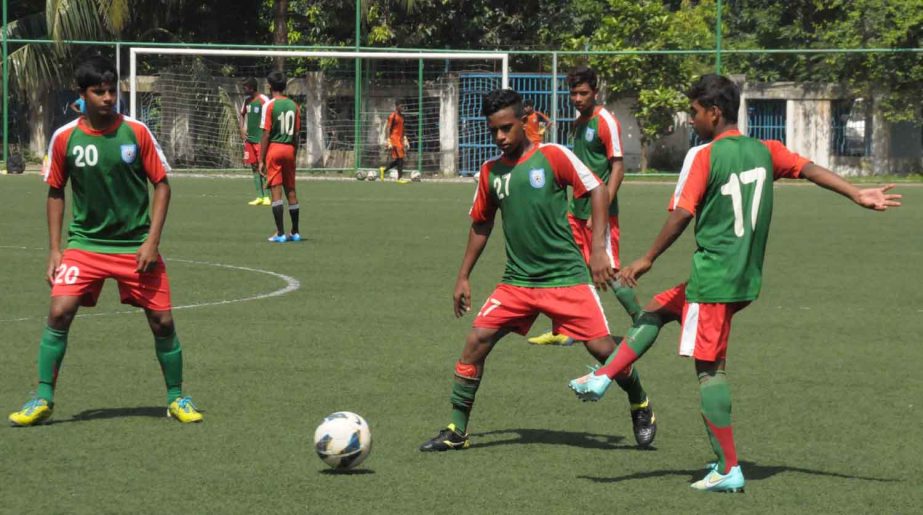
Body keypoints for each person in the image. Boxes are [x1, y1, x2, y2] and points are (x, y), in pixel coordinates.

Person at [568, 74, 902, 492]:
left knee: (709, 371)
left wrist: (648, 257)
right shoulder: (765, 150)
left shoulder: (704, 156)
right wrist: (856, 193)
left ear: (714, 112)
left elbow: (682, 213)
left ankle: (728, 468)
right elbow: (810, 168)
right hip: (744, 276)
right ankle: (604, 378)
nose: (691, 120)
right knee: (657, 310)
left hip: (714, 278)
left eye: (693, 112)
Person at [420, 88, 656, 452]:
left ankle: (639, 402)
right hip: (517, 282)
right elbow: (481, 225)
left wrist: (597, 250)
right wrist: (463, 275)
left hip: (566, 278)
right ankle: (457, 430)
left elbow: (596, 191)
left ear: (525, 121)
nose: (500, 137)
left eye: (506, 128)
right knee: (474, 343)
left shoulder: (553, 156)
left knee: (603, 351)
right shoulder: (490, 173)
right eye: (493, 130)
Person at [8, 56, 203, 426]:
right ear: (81, 95)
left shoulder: (136, 132)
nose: (108, 97)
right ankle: (43, 397)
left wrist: (152, 242)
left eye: (112, 90)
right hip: (85, 246)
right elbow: (55, 191)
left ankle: (177, 397)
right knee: (58, 312)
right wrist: (55, 249)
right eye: (99, 91)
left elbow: (162, 185)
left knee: (162, 322)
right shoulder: (65, 137)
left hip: (135, 246)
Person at [259, 71, 302, 243]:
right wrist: (295, 153)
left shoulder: (269, 106)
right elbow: (297, 134)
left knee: (276, 190)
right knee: (291, 189)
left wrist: (261, 159)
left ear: (270, 86)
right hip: (289, 149)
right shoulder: (294, 106)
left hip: (275, 149)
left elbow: (266, 134)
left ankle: (280, 233)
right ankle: (296, 231)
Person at [240, 77, 270, 206]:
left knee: (264, 166)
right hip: (250, 140)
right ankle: (259, 196)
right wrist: (242, 129)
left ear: (252, 87)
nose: (243, 89)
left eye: (245, 87)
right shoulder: (247, 101)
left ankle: (268, 196)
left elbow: (270, 113)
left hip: (260, 140)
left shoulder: (264, 100)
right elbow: (242, 114)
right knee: (253, 167)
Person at [380, 101, 410, 183]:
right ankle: (399, 178)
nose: (402, 108)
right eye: (401, 106)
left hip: (400, 140)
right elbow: (388, 128)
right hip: (394, 140)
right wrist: (388, 140)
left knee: (400, 159)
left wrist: (405, 138)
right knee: (400, 159)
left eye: (403, 106)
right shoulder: (393, 116)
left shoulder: (402, 117)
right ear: (396, 106)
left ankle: (384, 170)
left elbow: (403, 128)